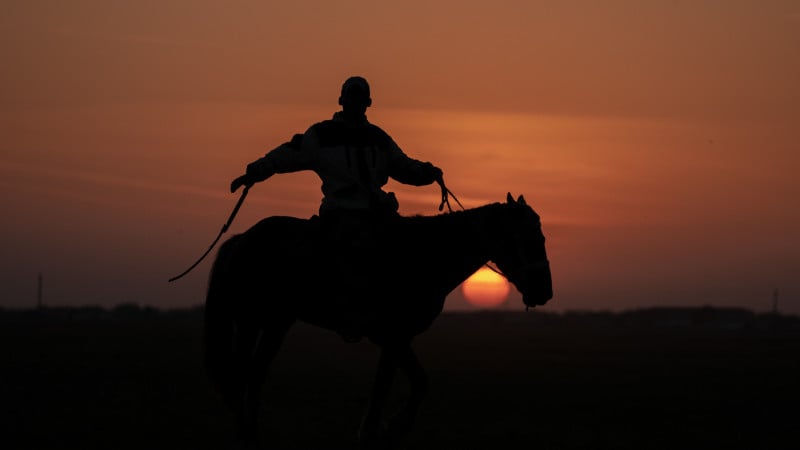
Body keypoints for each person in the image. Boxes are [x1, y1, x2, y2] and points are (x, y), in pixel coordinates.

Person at [229, 76, 444, 288]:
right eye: (351, 96)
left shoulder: (379, 138)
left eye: (360, 97)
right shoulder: (321, 135)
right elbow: (287, 154)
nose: (355, 102)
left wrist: (427, 172)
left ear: (368, 103)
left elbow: (402, 166)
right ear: (341, 100)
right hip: (341, 214)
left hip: (379, 214)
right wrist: (255, 171)